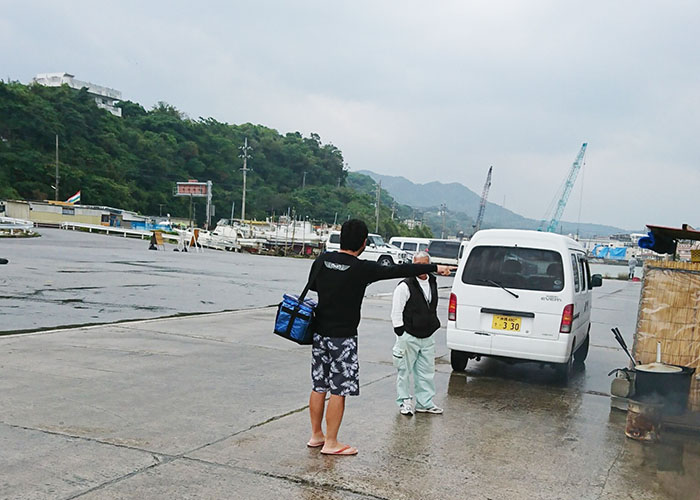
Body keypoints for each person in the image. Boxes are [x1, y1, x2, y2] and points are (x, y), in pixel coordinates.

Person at [307, 219, 454, 456]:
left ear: (341, 237)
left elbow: (313, 286)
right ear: (364, 243)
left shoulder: (322, 260)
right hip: (343, 338)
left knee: (319, 385)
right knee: (338, 390)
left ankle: (316, 435)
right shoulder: (362, 268)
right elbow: (400, 270)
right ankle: (331, 443)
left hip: (319, 334)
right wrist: (432, 267)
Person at [391, 251, 443, 416]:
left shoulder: (433, 282)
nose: (420, 268)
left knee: (426, 372)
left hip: (428, 336)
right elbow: (396, 311)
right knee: (404, 371)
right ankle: (404, 402)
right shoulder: (405, 285)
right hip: (409, 335)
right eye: (417, 264)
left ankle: (425, 403)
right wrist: (401, 332)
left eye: (424, 264)